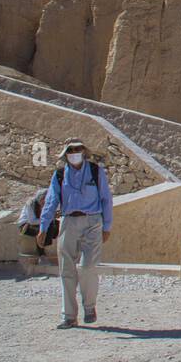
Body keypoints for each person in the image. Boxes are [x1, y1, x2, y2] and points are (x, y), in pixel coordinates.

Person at [39, 139, 113, 329]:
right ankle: (69, 316)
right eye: (71, 150)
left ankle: (89, 307)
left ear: (84, 151)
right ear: (66, 154)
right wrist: (43, 227)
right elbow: (51, 201)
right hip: (68, 221)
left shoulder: (96, 172)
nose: (74, 152)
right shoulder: (60, 175)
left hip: (92, 221)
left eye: (78, 149)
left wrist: (107, 226)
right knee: (66, 270)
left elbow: (106, 199)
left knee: (88, 267)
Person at [16, 186, 59, 260]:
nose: (44, 201)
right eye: (43, 199)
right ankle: (41, 253)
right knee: (41, 230)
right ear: (40, 197)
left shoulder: (46, 205)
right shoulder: (31, 203)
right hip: (26, 225)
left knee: (55, 224)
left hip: (37, 223)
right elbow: (31, 221)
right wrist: (47, 220)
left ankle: (47, 244)